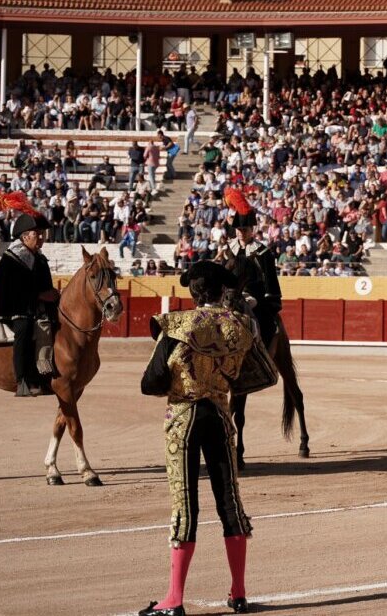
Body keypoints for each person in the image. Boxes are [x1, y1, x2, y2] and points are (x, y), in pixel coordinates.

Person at [139, 260, 255, 616]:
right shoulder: (241, 327)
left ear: (195, 293)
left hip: (184, 419)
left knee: (185, 506)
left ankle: (174, 599)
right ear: (223, 292)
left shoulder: (177, 324)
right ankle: (238, 593)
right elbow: (253, 375)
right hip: (220, 418)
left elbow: (151, 382)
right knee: (230, 504)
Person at [0, 211, 58, 397]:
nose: (41, 238)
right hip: (13, 308)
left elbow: (44, 285)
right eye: (37, 234)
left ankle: (47, 373)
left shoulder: (39, 258)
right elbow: (12, 290)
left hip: (34, 307)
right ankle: (22, 379)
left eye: (42, 233)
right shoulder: (12, 258)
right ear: (25, 236)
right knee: (23, 329)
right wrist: (41, 295)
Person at [221, 189, 283, 347]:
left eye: (245, 230)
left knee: (262, 322)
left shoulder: (262, 252)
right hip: (229, 294)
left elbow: (269, 277)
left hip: (254, 294)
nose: (241, 233)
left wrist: (271, 300)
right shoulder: (229, 249)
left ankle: (261, 349)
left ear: (252, 230)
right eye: (239, 230)